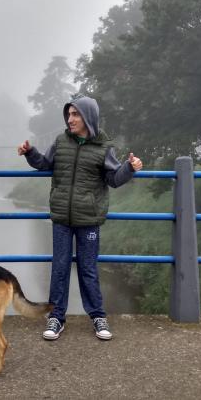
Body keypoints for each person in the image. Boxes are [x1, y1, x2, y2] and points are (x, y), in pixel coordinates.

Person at [17, 95, 143, 340]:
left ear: (88, 118)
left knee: (88, 269)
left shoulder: (104, 147)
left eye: (75, 115)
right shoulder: (61, 141)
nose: (70, 119)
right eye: (69, 114)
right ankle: (56, 318)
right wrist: (30, 152)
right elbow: (44, 163)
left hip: (89, 219)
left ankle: (97, 316)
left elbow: (114, 179)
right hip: (62, 218)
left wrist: (130, 168)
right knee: (60, 268)